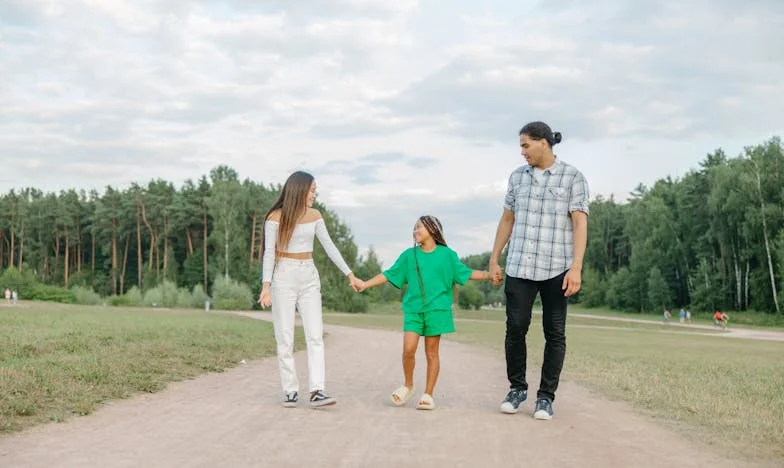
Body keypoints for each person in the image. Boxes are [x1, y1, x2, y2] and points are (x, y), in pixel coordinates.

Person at [489, 121, 589, 420]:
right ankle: (516, 388)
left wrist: (576, 267)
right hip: (520, 265)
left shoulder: (573, 177)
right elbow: (507, 219)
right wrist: (495, 258)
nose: (522, 152)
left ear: (543, 142)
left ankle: (545, 397)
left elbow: (579, 223)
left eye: (525, 145)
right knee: (515, 328)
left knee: (555, 333)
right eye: (521, 146)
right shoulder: (517, 178)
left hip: (557, 267)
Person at [355, 215, 493, 410]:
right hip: (413, 310)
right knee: (408, 349)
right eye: (414, 228)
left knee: (431, 352)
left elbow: (466, 273)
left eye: (419, 227)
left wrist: (489, 276)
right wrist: (365, 284)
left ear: (432, 229)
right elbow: (389, 274)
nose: (415, 231)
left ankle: (428, 394)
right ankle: (408, 385)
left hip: (437, 309)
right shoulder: (408, 255)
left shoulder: (447, 255)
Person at [258, 170, 362, 408]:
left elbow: (330, 247)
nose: (315, 194)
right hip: (283, 275)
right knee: (284, 337)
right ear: (300, 190)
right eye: (312, 189)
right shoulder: (275, 217)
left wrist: (350, 274)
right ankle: (290, 390)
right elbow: (269, 253)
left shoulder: (315, 215)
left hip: (309, 276)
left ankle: (317, 390)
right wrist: (266, 286)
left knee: (315, 335)